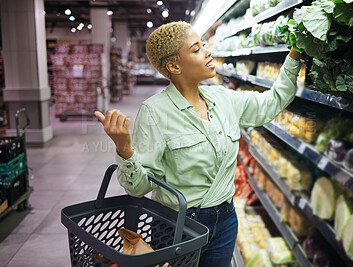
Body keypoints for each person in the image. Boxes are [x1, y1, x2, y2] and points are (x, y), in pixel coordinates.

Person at [95, 21, 302, 267]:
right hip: (177, 226)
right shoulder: (155, 112)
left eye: (204, 45)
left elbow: (273, 102)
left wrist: (295, 53)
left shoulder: (223, 99)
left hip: (225, 220)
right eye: (196, 49)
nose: (208, 51)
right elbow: (138, 188)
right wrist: (125, 149)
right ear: (174, 65)